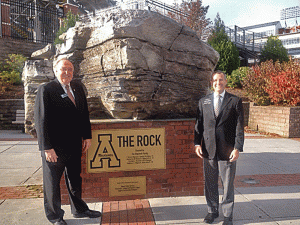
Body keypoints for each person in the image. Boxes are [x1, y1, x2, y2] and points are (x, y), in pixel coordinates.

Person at [34, 58, 101, 225]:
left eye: (70, 69)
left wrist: (87, 136)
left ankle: (79, 209)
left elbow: (84, 113)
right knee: (52, 183)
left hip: (74, 145)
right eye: (63, 69)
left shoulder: (77, 87)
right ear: (55, 71)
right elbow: (41, 120)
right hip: (54, 148)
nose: (67, 72)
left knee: (75, 179)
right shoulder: (47, 89)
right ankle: (55, 216)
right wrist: (46, 147)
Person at [194, 70, 244, 225]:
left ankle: (228, 216)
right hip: (208, 150)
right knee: (210, 183)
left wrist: (237, 147)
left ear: (225, 82)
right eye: (215, 80)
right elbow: (199, 125)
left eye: (221, 80)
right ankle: (212, 211)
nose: (218, 83)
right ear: (211, 83)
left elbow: (239, 127)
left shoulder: (235, 101)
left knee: (228, 184)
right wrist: (197, 143)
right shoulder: (204, 101)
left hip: (227, 150)